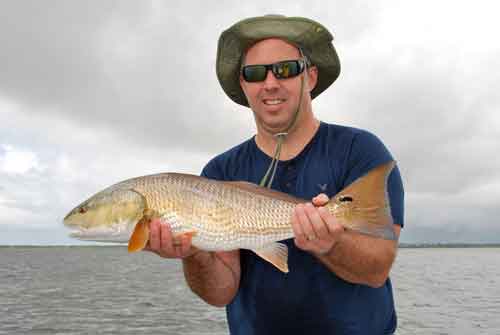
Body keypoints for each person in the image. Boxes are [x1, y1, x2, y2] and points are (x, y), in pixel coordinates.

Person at [145, 15, 404, 335]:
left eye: (285, 69)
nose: (270, 83)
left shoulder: (360, 150)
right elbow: (221, 292)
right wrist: (194, 252)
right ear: (243, 85)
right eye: (255, 74)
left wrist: (331, 243)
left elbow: (378, 268)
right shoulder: (219, 173)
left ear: (310, 77)